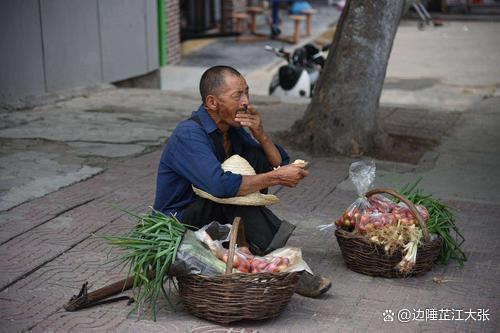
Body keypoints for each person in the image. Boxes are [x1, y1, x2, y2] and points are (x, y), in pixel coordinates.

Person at [153, 65, 331, 297]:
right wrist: (277, 177)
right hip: (178, 221)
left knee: (252, 161)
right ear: (212, 102)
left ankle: (265, 256)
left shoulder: (232, 130)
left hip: (212, 215)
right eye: (238, 95)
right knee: (232, 196)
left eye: (246, 93)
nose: (246, 101)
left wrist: (261, 135)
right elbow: (220, 186)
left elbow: (275, 162)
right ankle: (289, 269)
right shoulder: (188, 134)